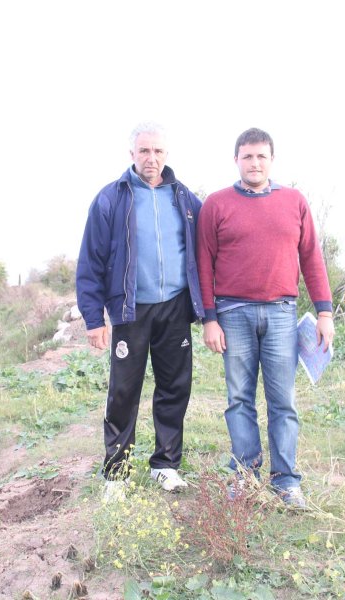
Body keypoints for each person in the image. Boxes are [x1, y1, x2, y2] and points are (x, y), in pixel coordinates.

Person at [196, 127, 335, 508]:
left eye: (261, 156)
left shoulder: (294, 201)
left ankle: (286, 482)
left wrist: (324, 311)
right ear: (236, 160)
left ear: (271, 160)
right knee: (239, 398)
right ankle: (244, 477)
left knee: (282, 401)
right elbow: (203, 264)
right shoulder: (217, 205)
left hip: (280, 314)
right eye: (247, 156)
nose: (254, 163)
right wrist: (209, 318)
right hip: (232, 313)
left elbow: (311, 258)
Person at [76, 122, 205, 502]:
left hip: (174, 308)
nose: (152, 158)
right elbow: (90, 262)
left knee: (174, 387)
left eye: (158, 152)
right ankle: (116, 472)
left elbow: (207, 251)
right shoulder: (111, 199)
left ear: (167, 155)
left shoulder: (185, 199)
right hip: (130, 311)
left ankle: (166, 465)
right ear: (131, 154)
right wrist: (93, 319)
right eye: (144, 151)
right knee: (123, 392)